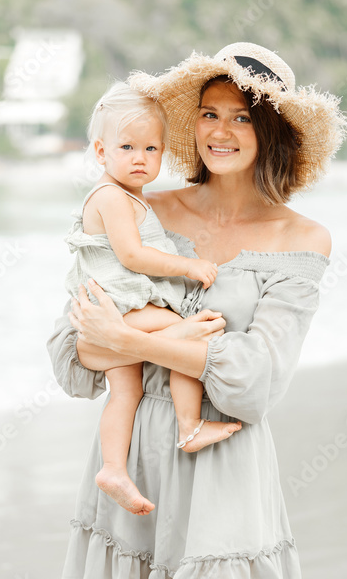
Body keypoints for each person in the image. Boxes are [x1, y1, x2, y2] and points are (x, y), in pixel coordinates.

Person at [47, 42, 347, 579]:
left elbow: (253, 383)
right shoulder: (143, 211)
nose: (222, 131)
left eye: (242, 116)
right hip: (137, 452)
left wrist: (132, 341)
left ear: (272, 132)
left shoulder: (303, 239)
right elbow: (75, 353)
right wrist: (149, 340)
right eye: (210, 113)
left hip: (224, 454)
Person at [64, 82, 244, 517]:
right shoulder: (110, 196)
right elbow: (131, 255)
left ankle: (114, 469)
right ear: (101, 152)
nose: (141, 158)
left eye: (151, 148)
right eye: (127, 147)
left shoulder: (131, 196)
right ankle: (188, 425)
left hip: (122, 309)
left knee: (124, 392)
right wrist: (187, 267)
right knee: (184, 344)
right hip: (122, 308)